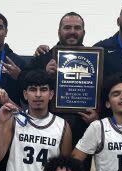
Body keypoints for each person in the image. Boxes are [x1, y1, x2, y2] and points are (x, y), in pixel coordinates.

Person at [0, 70, 72, 171]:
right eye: (33, 90)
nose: (38, 94)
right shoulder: (14, 120)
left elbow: (66, 167)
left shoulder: (62, 126)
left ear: (51, 94)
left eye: (43, 90)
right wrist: (0, 124)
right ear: (25, 94)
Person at [22, 12, 97, 146]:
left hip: (82, 132)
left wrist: (97, 117)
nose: (72, 32)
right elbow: (22, 91)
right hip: (44, 133)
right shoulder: (42, 57)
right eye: (67, 27)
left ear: (84, 32)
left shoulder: (95, 59)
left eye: (77, 28)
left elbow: (104, 92)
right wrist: (43, 73)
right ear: (59, 32)